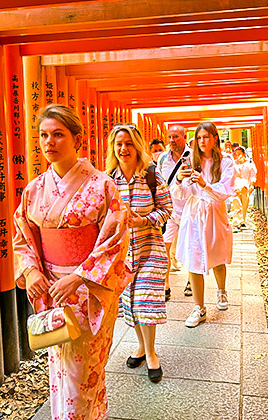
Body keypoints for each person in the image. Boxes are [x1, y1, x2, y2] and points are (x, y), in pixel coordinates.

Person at [13, 104, 132, 420]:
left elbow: (114, 240)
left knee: (84, 367)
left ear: (77, 140)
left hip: (89, 289)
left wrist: (79, 276)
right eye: (43, 135)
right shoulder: (34, 189)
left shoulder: (102, 185)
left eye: (58, 135)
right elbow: (23, 235)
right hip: (51, 288)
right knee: (61, 365)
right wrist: (31, 269)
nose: (49, 142)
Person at [107, 124, 172, 383]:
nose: (123, 149)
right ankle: (141, 347)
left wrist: (144, 220)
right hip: (122, 253)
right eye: (118, 144)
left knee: (146, 299)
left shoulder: (151, 175)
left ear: (137, 145)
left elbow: (167, 209)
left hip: (150, 248)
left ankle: (152, 353)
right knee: (131, 303)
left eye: (128, 143)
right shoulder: (108, 179)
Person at [172, 121, 235, 328]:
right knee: (193, 259)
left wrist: (204, 185)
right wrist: (180, 180)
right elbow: (179, 195)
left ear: (215, 138)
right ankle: (199, 308)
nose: (202, 141)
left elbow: (224, 191)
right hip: (193, 215)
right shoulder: (190, 160)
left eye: (206, 137)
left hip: (214, 215)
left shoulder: (226, 162)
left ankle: (221, 290)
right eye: (198, 138)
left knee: (217, 257)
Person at [156, 125, 192, 300]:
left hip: (190, 210)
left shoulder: (194, 156)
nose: (171, 140)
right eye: (169, 137)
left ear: (185, 137)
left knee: (191, 247)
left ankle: (191, 280)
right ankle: (165, 286)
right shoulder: (163, 158)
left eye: (176, 137)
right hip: (169, 210)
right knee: (164, 247)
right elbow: (159, 183)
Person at [231, 146, 257, 231]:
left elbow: (253, 175)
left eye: (240, 154)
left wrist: (252, 185)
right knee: (236, 204)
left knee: (244, 205)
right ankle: (236, 223)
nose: (238, 156)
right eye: (236, 154)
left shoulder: (249, 164)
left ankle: (242, 221)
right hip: (236, 187)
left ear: (244, 154)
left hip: (246, 186)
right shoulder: (234, 164)